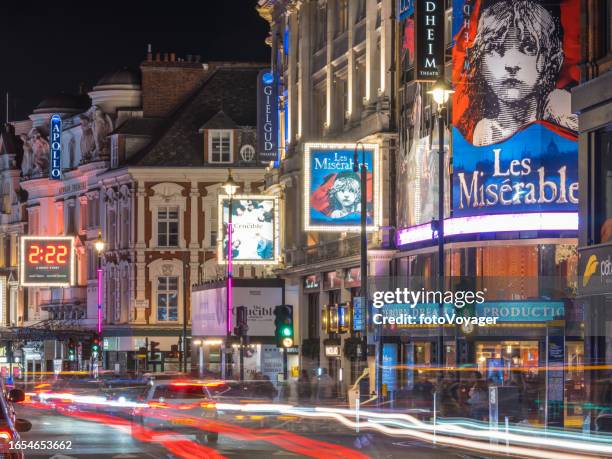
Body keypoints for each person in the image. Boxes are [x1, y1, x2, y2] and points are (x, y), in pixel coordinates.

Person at [456, 0, 577, 146]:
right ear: (480, 61)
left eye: (529, 48)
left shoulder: (567, 112)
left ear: (553, 60)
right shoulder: (481, 132)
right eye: (495, 48)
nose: (511, 65)